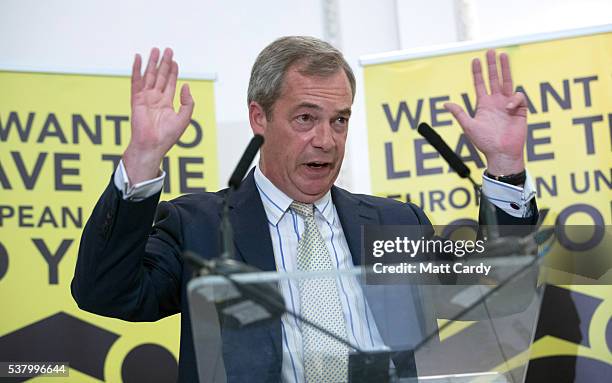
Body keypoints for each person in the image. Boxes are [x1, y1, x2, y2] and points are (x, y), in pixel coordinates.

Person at [72, 36, 538, 382]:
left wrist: (503, 165)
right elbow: (104, 292)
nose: (326, 139)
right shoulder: (201, 227)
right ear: (260, 118)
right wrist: (143, 159)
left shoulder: (395, 223)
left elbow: (502, 290)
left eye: (339, 120)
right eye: (305, 118)